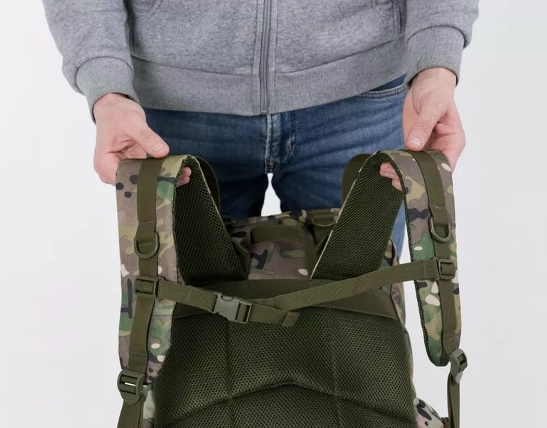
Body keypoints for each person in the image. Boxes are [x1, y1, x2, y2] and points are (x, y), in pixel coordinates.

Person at [43, 1, 478, 248]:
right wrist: (107, 89)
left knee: (356, 338)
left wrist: (436, 64)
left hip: (359, 96)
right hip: (173, 112)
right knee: (187, 343)